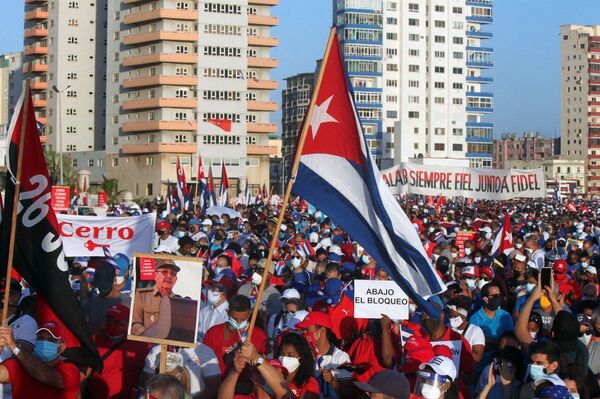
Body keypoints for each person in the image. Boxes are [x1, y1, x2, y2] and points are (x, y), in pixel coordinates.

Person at [0, 322, 80, 399]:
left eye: (51, 340)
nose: (44, 342)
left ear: (62, 347)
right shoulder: (20, 364)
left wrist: (14, 346)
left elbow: (44, 376)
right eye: (40, 338)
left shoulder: (70, 371)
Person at [88, 304, 151, 399]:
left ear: (127, 323)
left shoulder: (141, 345)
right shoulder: (95, 339)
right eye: (109, 320)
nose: (111, 324)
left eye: (117, 321)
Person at [295, 311, 353, 398]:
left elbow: (348, 394)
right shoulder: (302, 354)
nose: (304, 333)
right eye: (303, 329)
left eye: (307, 329)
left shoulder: (341, 358)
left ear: (322, 331)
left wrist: (332, 381)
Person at [131, 259, 181, 336]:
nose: (169, 276)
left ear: (176, 280)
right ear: (155, 275)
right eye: (164, 272)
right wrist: (150, 337)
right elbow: (134, 323)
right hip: (146, 344)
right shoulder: (141, 295)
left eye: (173, 274)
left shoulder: (179, 301)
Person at [82, 260, 131, 334]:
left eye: (105, 286)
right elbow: (83, 328)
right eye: (99, 286)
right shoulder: (89, 304)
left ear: (114, 281)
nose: (101, 289)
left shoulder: (128, 302)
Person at [446, 296, 485, 362]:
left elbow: (478, 357)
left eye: (455, 316)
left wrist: (459, 350)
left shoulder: (475, 331)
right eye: (450, 316)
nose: (451, 319)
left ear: (464, 316)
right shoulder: (447, 327)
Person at [198, 274, 233, 342]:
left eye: (214, 289)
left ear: (224, 293)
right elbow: (198, 334)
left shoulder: (231, 314)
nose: (209, 291)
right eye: (210, 287)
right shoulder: (204, 311)